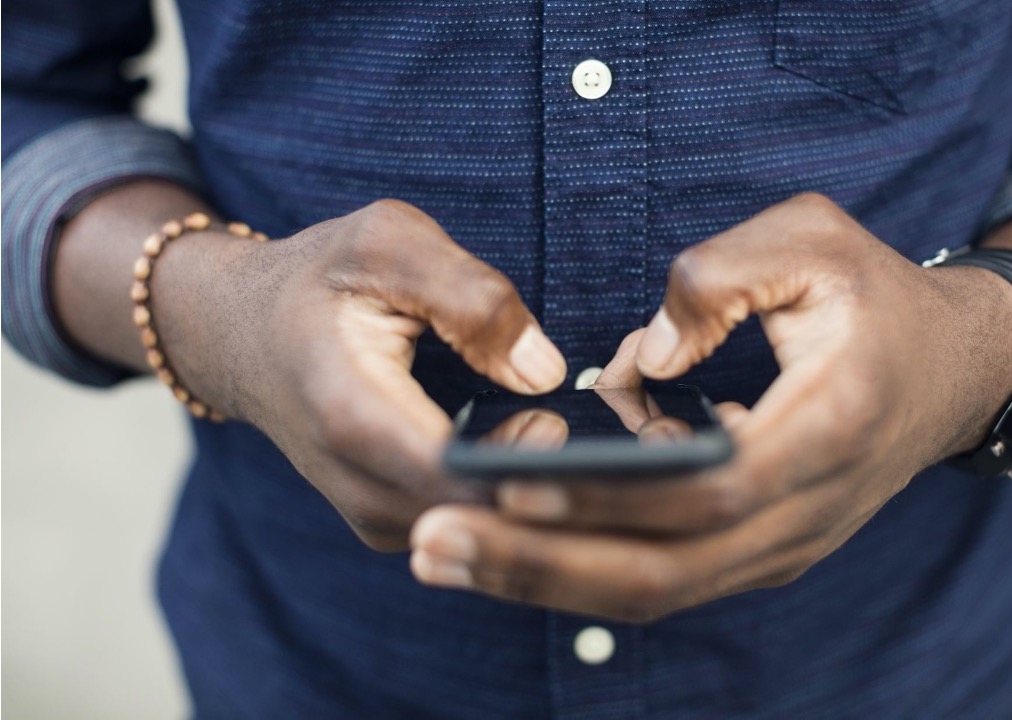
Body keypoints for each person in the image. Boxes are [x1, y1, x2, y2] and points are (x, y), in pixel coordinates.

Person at [4, 2, 1011, 717]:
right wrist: (214, 314)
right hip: (305, 666)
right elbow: (22, 96)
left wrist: (972, 347)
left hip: (926, 667)